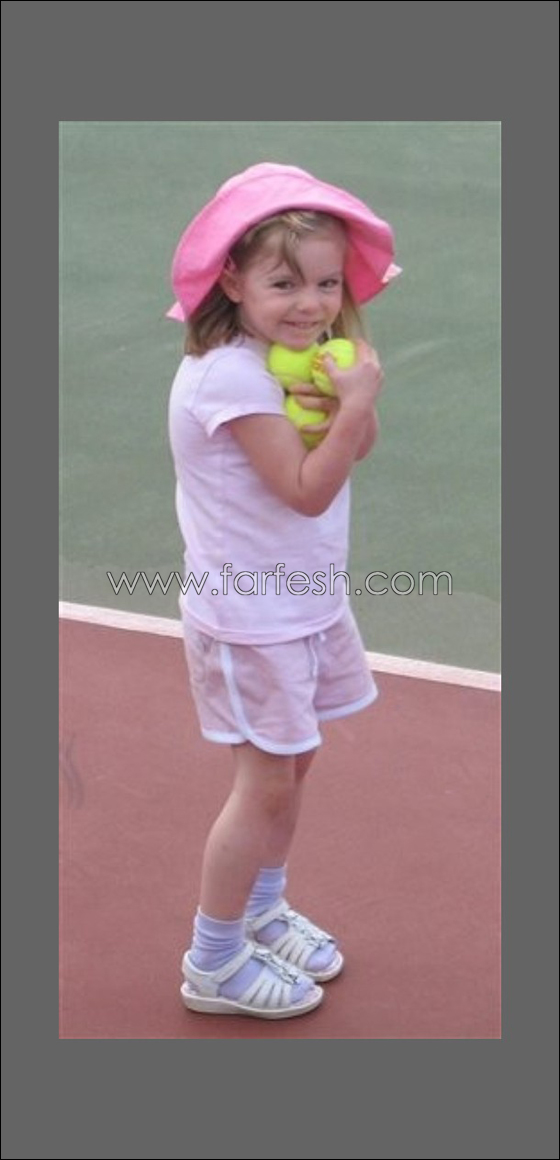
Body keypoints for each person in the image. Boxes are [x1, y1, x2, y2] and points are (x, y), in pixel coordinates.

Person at [167, 162, 400, 1019]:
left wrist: (348, 401)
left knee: (295, 763)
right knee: (264, 782)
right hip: (249, 617)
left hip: (303, 601)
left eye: (328, 284)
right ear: (232, 280)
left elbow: (356, 449)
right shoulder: (232, 377)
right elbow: (307, 489)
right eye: (285, 283)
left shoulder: (291, 360)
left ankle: (262, 910)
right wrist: (354, 406)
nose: (311, 304)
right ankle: (214, 959)